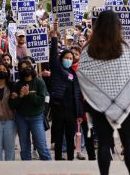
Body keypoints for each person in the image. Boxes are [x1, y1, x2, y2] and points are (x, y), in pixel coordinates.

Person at [77, 10, 130, 175]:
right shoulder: (126, 49)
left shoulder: (87, 50)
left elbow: (81, 74)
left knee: (104, 144)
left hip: (98, 103)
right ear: (117, 27)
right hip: (126, 101)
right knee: (129, 144)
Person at [49, 21, 84, 161]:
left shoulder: (73, 74)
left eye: (71, 58)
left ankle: (70, 159)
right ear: (61, 59)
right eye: (66, 58)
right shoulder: (57, 70)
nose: (69, 60)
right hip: (58, 108)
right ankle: (58, 158)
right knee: (59, 136)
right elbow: (52, 55)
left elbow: (77, 95)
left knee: (70, 137)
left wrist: (79, 113)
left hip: (71, 111)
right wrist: (54, 37)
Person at [9, 59, 51, 160]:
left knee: (41, 146)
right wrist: (21, 96)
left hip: (36, 118)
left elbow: (41, 100)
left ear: (32, 68)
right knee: (24, 147)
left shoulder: (39, 82)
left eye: (27, 67)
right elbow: (12, 104)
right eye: (22, 68)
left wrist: (28, 94)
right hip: (21, 118)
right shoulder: (17, 84)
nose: (25, 70)